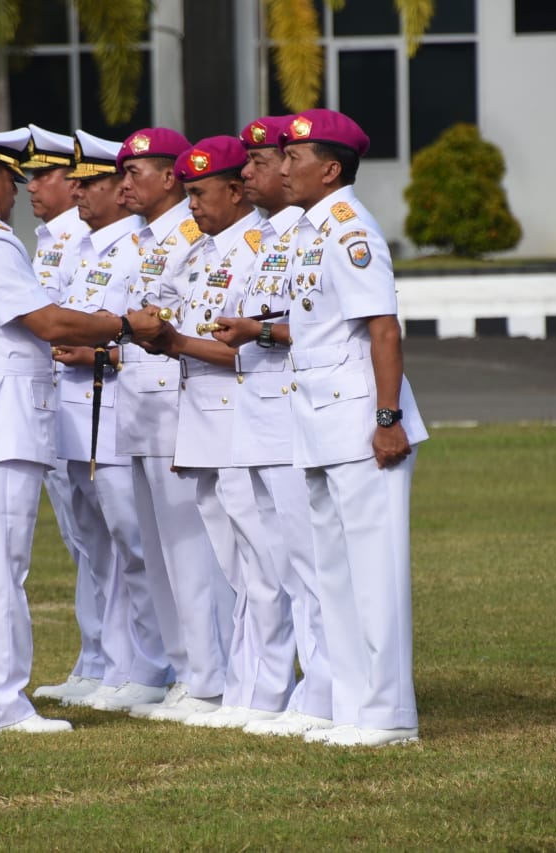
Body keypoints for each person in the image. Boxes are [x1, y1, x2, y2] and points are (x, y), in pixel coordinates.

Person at [0, 126, 166, 733]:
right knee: (1, 567)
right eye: (11, 180)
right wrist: (124, 325)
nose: (15, 192)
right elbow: (48, 321)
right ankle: (0, 705)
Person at [215, 108, 427, 748]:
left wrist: (387, 420)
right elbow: (313, 326)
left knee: (374, 572)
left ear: (330, 169)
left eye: (294, 157)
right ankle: (353, 706)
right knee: (333, 574)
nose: (281, 166)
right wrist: (261, 331)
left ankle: (389, 715)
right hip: (314, 421)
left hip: (362, 422)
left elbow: (382, 328)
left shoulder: (349, 228)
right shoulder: (307, 232)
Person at [149, 136, 297, 730]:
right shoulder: (200, 252)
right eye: (185, 195)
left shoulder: (264, 247)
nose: (191, 207)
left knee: (265, 566)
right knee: (234, 568)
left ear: (236, 190)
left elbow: (253, 346)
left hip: (245, 421)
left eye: (200, 194)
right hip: (206, 425)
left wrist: (176, 342)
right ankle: (243, 685)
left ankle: (270, 692)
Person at [113, 128, 235, 723]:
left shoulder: (192, 237)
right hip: (138, 401)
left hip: (175, 398)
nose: (125, 183)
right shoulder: (139, 238)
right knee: (157, 550)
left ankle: (210, 676)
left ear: (171, 177)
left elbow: (179, 318)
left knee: (192, 550)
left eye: (138, 172)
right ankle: (185, 669)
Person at [53, 131, 171, 713]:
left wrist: (97, 353)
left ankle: (150, 664)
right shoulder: (87, 246)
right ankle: (113, 663)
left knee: (135, 544)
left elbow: (150, 335)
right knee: (97, 549)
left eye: (91, 182)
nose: (80, 191)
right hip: (78, 415)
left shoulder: (135, 247)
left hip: (120, 410)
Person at [225, 116, 333, 737]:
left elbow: (320, 326)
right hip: (263, 413)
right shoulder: (271, 235)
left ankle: (323, 693)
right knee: (286, 565)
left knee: (313, 564)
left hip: (299, 411)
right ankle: (307, 690)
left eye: (264, 162)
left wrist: (255, 331)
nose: (253, 172)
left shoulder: (309, 233)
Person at [20, 126, 103, 704]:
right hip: (55, 397)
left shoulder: (83, 234)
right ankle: (96, 658)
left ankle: (118, 661)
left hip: (87, 395)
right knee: (83, 543)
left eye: (44, 174)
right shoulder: (50, 236)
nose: (35, 185)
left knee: (106, 542)